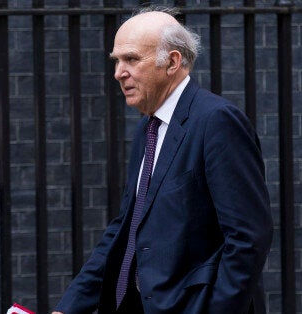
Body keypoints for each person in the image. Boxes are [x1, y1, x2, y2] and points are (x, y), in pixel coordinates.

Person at [52, 7, 273, 314]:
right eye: (116, 61)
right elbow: (127, 227)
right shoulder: (149, 127)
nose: (118, 72)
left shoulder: (216, 121)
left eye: (131, 59)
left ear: (172, 62)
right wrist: (69, 307)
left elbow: (248, 238)